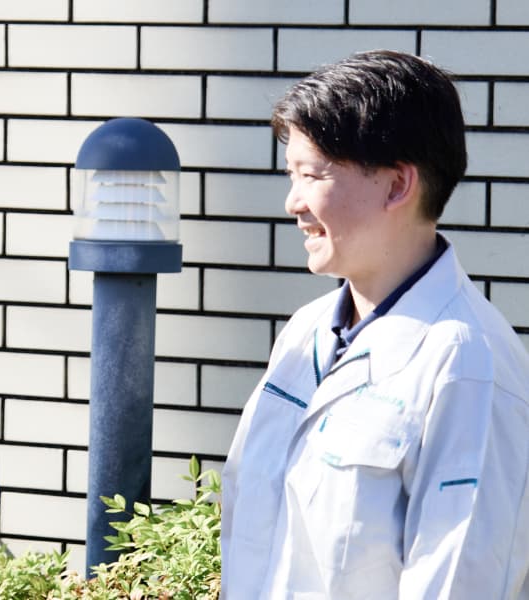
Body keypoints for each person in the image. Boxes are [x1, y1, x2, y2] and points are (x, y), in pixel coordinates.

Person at [220, 49, 529, 599]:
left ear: (397, 185)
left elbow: (456, 582)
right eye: (291, 175)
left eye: (311, 175)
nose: (293, 202)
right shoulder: (306, 331)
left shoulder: (469, 366)